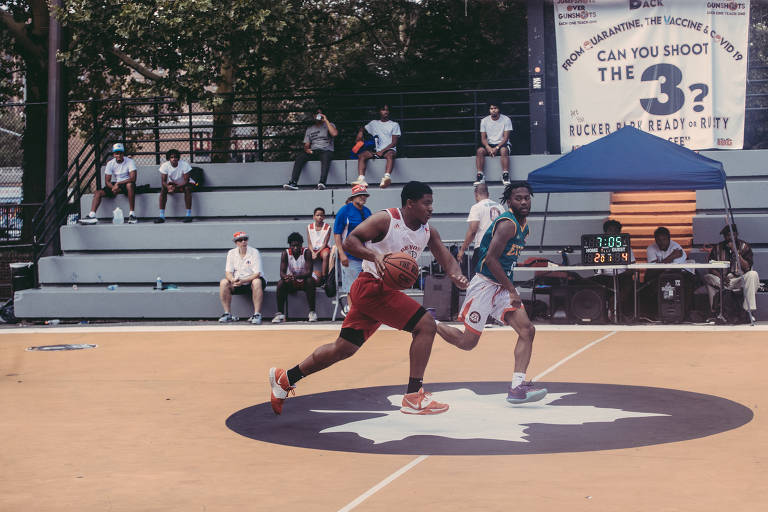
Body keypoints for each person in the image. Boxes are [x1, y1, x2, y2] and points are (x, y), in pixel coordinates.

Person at [269, 181, 469, 416]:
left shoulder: (428, 231)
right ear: (410, 204)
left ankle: (285, 378)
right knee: (425, 325)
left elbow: (446, 259)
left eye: (432, 204)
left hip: (381, 293)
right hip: (371, 287)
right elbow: (351, 240)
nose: (431, 209)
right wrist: (375, 256)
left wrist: (457, 275)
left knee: (342, 349)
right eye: (426, 204)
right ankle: (414, 397)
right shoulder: (387, 219)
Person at [436, 181, 547, 404]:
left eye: (526, 197)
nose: (524, 201)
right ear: (509, 202)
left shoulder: (524, 225)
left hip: (502, 285)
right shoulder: (507, 224)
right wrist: (512, 290)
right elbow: (491, 260)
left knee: (527, 330)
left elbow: (505, 259)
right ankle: (431, 323)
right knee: (468, 343)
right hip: (486, 284)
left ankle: (517, 388)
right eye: (518, 198)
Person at [702, 224, 760, 322]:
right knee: (708, 277)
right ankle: (716, 312)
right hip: (722, 280)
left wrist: (735, 252)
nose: (729, 238)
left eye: (731, 235)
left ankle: (747, 311)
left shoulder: (744, 247)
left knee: (753, 274)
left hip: (737, 279)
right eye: (727, 236)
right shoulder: (718, 248)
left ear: (736, 234)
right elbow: (711, 268)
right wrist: (722, 277)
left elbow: (747, 267)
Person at [641, 226, 694, 319]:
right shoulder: (651, 248)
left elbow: (672, 269)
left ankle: (684, 314)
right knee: (647, 281)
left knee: (686, 283)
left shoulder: (677, 248)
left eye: (664, 239)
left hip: (679, 274)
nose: (661, 242)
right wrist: (670, 257)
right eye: (658, 240)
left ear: (669, 239)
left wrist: (660, 264)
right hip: (659, 275)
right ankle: (654, 314)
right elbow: (652, 268)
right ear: (655, 240)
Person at [333, 184, 372, 310]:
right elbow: (337, 234)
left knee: (366, 285)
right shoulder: (344, 211)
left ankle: (364, 311)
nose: (363, 198)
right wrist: (341, 253)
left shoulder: (367, 211)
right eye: (360, 195)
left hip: (365, 255)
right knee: (351, 287)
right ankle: (352, 312)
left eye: (365, 195)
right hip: (350, 256)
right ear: (353, 197)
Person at [79, 142, 138, 224]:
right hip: (117, 185)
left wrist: (118, 184)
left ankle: (132, 215)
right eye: (117, 153)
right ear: (114, 154)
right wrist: (113, 188)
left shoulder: (130, 161)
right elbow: (107, 181)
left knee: (129, 185)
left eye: (120, 153)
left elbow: (133, 178)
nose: (119, 155)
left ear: (123, 153)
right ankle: (92, 216)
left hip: (127, 182)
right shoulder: (110, 164)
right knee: (98, 193)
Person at [591, 219, 636, 321]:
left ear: (619, 233)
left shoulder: (626, 247)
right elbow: (596, 269)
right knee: (589, 284)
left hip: (622, 276)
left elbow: (633, 267)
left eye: (616, 231)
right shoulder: (598, 247)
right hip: (604, 277)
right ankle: (596, 313)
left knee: (629, 285)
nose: (613, 233)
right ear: (605, 232)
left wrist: (626, 273)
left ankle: (614, 307)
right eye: (610, 230)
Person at [283, 108, 338, 191]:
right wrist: (307, 149)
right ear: (314, 116)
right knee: (300, 157)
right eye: (317, 114)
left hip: (326, 150)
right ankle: (293, 182)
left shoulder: (329, 125)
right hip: (314, 150)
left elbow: (334, 134)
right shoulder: (310, 129)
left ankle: (322, 182)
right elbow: (307, 144)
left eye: (320, 114)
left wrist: (326, 120)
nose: (318, 116)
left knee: (326, 156)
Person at [456, 182, 504, 278]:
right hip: (499, 248)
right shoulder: (500, 207)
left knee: (480, 279)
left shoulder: (476, 207)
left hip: (483, 247)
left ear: (476, 194)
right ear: (488, 194)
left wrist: (462, 250)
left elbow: (473, 230)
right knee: (497, 279)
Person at [219, 231, 266, 324]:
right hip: (238, 282)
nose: (243, 242)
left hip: (252, 282)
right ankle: (227, 313)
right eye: (240, 240)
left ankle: (257, 314)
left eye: (245, 239)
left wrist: (243, 280)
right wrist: (232, 280)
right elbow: (228, 272)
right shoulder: (231, 253)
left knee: (257, 281)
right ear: (236, 243)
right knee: (223, 282)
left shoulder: (254, 252)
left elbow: (257, 273)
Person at [273, 232, 319, 323]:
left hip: (305, 280)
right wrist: (285, 277)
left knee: (310, 281)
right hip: (293, 281)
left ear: (301, 245)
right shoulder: (285, 253)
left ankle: (312, 312)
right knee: (280, 283)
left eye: (298, 245)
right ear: (289, 245)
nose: (295, 248)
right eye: (293, 246)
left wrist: (295, 276)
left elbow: (309, 273)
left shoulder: (307, 252)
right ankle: (280, 313)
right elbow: (281, 273)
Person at [353, 104, 401, 189]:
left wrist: (382, 151)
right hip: (376, 151)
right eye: (383, 110)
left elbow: (394, 142)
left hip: (389, 150)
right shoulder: (373, 123)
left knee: (390, 155)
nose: (385, 112)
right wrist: (360, 133)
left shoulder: (394, 124)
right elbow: (363, 128)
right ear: (379, 112)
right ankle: (361, 180)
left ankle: (386, 178)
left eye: (387, 110)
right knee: (362, 155)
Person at [474, 102, 513, 187]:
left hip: (502, 144)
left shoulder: (506, 119)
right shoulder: (484, 121)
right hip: (490, 144)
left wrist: (497, 147)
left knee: (503, 150)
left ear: (499, 109)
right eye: (491, 109)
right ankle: (480, 176)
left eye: (495, 108)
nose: (493, 110)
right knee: (480, 151)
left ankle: (505, 175)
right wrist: (488, 147)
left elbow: (506, 138)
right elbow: (483, 138)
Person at [154, 148, 195, 223]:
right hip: (173, 184)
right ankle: (161, 216)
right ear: (169, 158)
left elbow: (186, 181)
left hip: (185, 184)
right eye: (172, 157)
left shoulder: (184, 165)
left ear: (178, 158)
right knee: (163, 189)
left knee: (187, 188)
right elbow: (163, 181)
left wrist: (175, 187)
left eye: (176, 157)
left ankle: (188, 215)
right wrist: (168, 187)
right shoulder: (165, 166)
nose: (174, 159)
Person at [307, 207, 332, 283]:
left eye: (321, 215)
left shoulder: (327, 227)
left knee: (326, 254)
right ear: (314, 216)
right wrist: (312, 252)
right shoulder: (309, 227)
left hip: (322, 248)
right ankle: (307, 275)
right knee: (306, 254)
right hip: (313, 248)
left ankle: (324, 277)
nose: (319, 217)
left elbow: (325, 243)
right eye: (317, 215)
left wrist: (317, 253)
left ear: (324, 217)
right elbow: (309, 243)